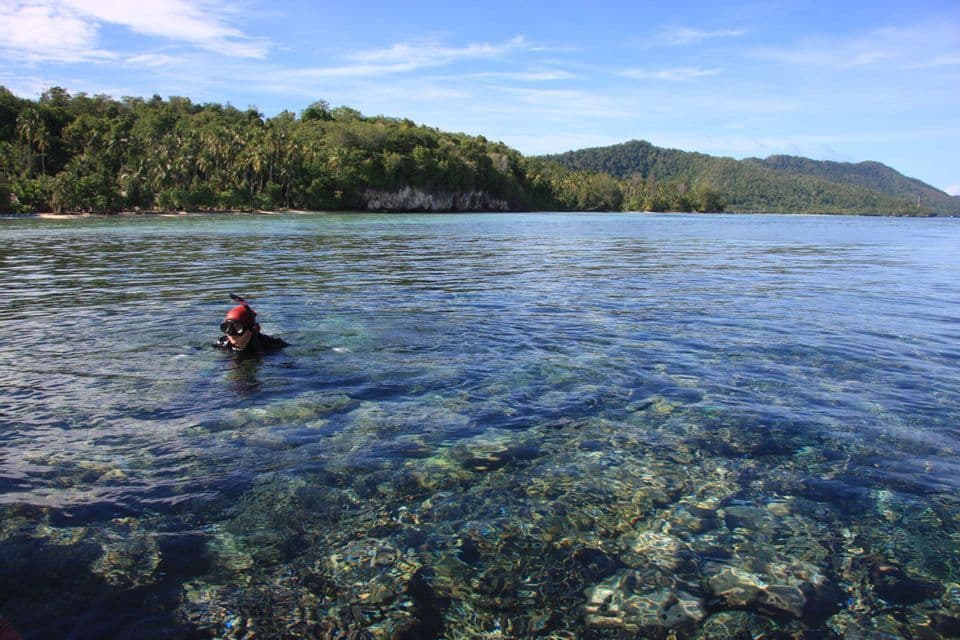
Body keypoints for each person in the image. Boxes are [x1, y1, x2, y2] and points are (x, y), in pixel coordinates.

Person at [214, 294, 288, 354]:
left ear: (251, 329)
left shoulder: (273, 345)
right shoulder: (222, 344)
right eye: (226, 327)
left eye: (237, 327)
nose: (230, 333)